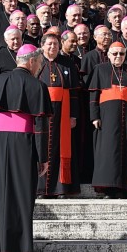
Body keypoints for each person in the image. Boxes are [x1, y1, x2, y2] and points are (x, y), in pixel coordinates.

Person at [0, 44, 52, 252]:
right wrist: (42, 158)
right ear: (31, 61)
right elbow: (40, 126)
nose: (39, 67)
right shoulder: (38, 86)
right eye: (39, 63)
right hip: (23, 145)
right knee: (21, 197)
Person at [89, 42, 127, 198]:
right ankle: (109, 188)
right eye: (115, 54)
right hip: (106, 119)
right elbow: (93, 95)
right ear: (108, 55)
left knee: (126, 150)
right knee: (108, 152)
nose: (118, 56)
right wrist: (95, 116)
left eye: (121, 54)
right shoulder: (100, 69)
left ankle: (125, 187)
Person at [36, 33, 80, 197]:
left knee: (61, 149)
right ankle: (42, 188)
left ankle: (61, 188)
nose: (52, 47)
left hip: (63, 113)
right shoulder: (37, 63)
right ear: (43, 46)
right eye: (49, 44)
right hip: (42, 115)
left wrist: (73, 115)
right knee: (43, 148)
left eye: (55, 44)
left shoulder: (67, 64)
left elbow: (74, 92)